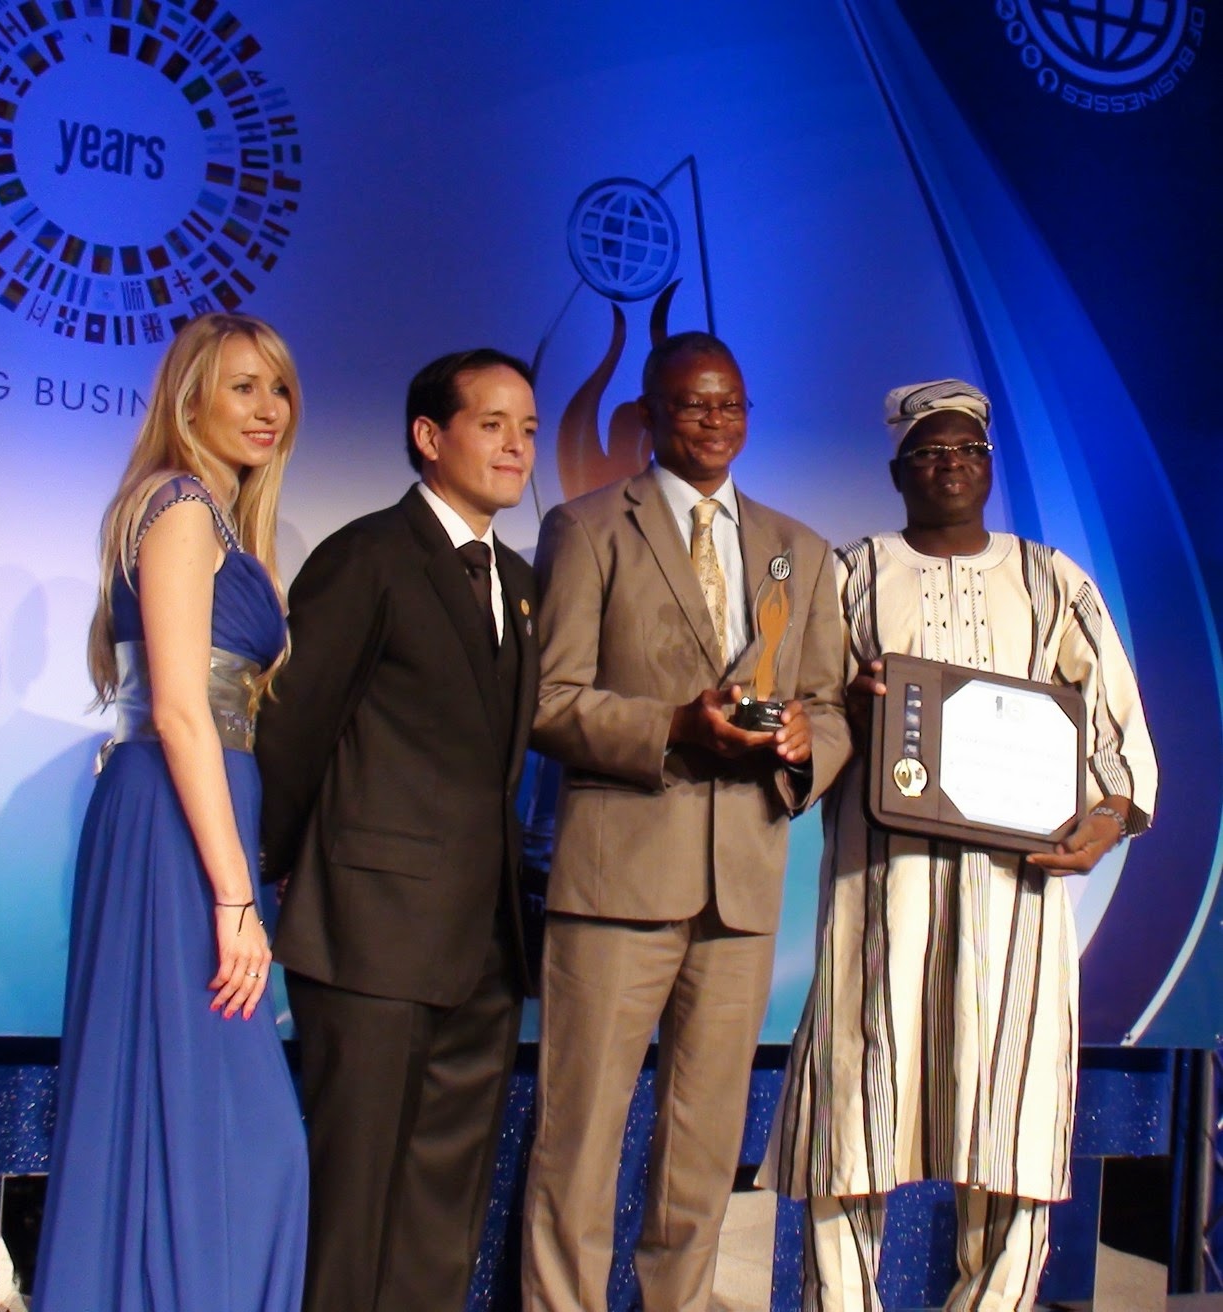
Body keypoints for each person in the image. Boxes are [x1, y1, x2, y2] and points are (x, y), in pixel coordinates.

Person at [760, 379, 1159, 1312]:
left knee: (1011, 1120)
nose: (952, 466)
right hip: (882, 891)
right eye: (931, 452)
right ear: (897, 471)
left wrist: (1107, 821)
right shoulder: (851, 573)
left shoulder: (1050, 578)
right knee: (855, 1113)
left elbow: (1114, 725)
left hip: (1015, 899)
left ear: (991, 467)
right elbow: (804, 705)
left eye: (969, 451)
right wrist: (847, 705)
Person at [522, 330, 852, 1312]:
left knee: (704, 1146)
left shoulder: (801, 548)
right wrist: (672, 726)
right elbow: (549, 701)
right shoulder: (587, 528)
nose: (715, 420)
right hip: (617, 880)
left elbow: (832, 704)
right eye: (695, 402)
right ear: (651, 415)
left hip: (741, 886)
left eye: (731, 404)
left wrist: (808, 742)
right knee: (581, 1137)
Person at [255, 349, 541, 1311]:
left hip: (484, 945)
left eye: (528, 429)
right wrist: (278, 868)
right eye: (492, 424)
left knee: (442, 1210)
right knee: (353, 1200)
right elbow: (293, 729)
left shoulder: (520, 580)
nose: (516, 446)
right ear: (429, 436)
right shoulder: (367, 555)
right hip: (370, 934)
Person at [33, 313, 308, 1312]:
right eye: (242, 387)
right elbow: (183, 713)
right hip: (176, 825)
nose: (268, 409)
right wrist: (235, 899)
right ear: (190, 400)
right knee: (243, 1137)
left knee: (201, 1117)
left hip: (200, 815)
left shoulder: (225, 520)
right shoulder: (181, 503)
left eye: (278, 388)